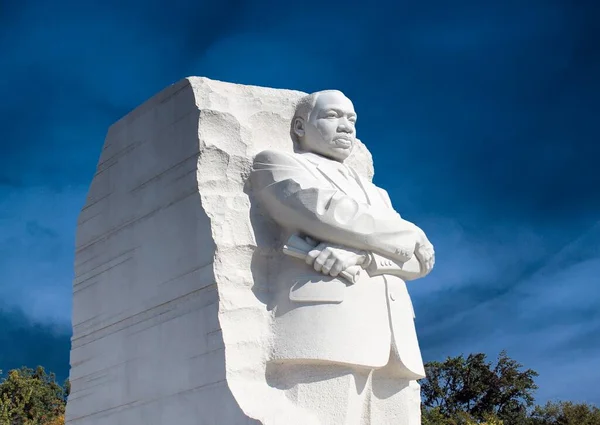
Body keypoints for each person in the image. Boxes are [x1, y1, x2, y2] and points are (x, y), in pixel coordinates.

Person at [251, 90, 435, 424]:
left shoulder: (378, 194)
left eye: (352, 120)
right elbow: (326, 212)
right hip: (328, 327)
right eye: (333, 116)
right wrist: (410, 233)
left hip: (395, 338)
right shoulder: (277, 163)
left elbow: (420, 261)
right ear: (299, 127)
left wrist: (362, 256)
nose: (347, 127)